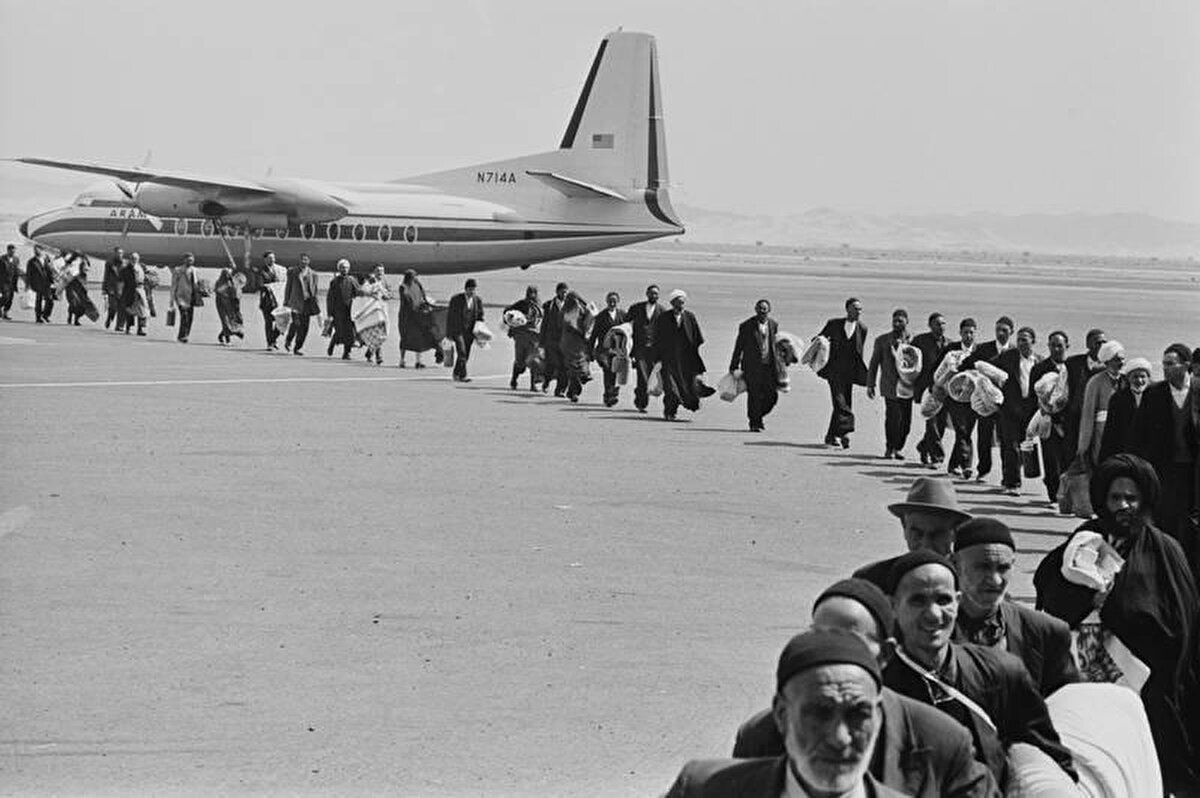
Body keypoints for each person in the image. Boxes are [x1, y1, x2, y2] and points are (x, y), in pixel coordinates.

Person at [732, 578, 1001, 798]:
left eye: (851, 639)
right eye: (820, 636)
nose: (833, 651)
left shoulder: (941, 740)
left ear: (885, 654)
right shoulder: (762, 735)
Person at [1034, 454, 1200, 794]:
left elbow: (1181, 620)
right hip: (1083, 672)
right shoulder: (1084, 540)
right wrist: (1086, 601)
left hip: (1147, 682)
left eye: (1131, 498)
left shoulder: (1164, 550)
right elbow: (1050, 593)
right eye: (1115, 498)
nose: (1123, 505)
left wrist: (1123, 611)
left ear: (1145, 500)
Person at [884, 551, 1078, 788]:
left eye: (943, 600)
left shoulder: (1001, 671)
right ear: (893, 606)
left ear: (957, 601)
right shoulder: (878, 686)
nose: (933, 615)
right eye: (917, 600)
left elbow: (1050, 754)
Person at [664, 629, 910, 798]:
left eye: (859, 714)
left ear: (878, 717)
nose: (840, 738)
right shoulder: (706, 790)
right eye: (820, 713)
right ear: (782, 715)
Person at [949, 517, 1078, 697]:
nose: (994, 580)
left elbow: (1067, 704)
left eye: (1003, 568)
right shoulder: (930, 627)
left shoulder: (1046, 632)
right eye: (982, 567)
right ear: (955, 564)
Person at [1132, 343, 1197, 565]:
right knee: (1165, 517)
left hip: (1194, 470)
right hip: (1165, 468)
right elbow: (1139, 433)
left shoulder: (1197, 391)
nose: (1165, 368)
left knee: (1191, 520)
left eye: (1170, 364)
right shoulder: (1154, 393)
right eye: (1164, 364)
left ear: (1186, 365)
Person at [853, 476, 973, 590]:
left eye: (936, 534)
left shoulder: (971, 584)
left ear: (955, 532)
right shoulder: (874, 580)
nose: (926, 544)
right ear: (904, 527)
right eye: (917, 533)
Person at [961, 316, 1016, 482]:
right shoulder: (984, 349)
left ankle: (1007, 476)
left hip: (1006, 405)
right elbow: (966, 366)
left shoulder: (1015, 352)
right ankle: (983, 471)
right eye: (998, 329)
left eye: (1004, 330)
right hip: (985, 402)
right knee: (983, 437)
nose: (1000, 333)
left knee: (1006, 440)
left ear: (1011, 332)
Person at [993, 326, 1042, 496]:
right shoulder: (1007, 357)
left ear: (1033, 341)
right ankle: (1012, 483)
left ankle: (1014, 475)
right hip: (1009, 410)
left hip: (1030, 411)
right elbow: (990, 369)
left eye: (1024, 339)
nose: (1020, 343)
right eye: (1019, 339)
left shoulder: (1040, 362)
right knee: (1010, 445)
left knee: (1025, 446)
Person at [816, 298, 869, 448]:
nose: (859, 311)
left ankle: (831, 436)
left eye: (860, 309)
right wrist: (821, 343)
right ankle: (844, 433)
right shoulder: (833, 324)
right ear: (847, 309)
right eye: (855, 308)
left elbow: (859, 353)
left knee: (843, 403)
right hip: (834, 372)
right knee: (840, 403)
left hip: (850, 373)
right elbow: (819, 339)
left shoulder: (863, 329)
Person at [653, 289, 709, 421]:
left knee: (686, 386)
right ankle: (670, 412)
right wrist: (657, 358)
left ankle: (688, 404)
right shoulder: (663, 318)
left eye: (683, 302)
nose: (681, 305)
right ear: (672, 303)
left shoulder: (690, 317)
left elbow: (697, 337)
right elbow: (658, 339)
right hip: (669, 359)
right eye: (678, 302)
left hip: (687, 360)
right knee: (671, 388)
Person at [1029, 331, 1072, 503]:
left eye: (1060, 345)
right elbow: (1032, 398)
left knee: (1067, 461)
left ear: (1067, 346)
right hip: (1047, 420)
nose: (1056, 349)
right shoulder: (1039, 368)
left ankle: (1067, 495)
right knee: (1051, 460)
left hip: (1069, 423)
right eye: (1052, 345)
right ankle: (1053, 495)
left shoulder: (1072, 367)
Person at [867, 308, 914, 457]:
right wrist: (870, 384)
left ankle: (898, 447)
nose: (897, 323)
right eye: (894, 320)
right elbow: (874, 363)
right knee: (893, 418)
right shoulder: (882, 340)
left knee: (906, 423)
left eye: (900, 320)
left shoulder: (913, 341)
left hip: (907, 387)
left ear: (907, 322)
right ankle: (890, 448)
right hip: (890, 386)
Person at [730, 299, 781, 433]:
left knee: (772, 396)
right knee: (754, 395)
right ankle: (755, 423)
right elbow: (738, 347)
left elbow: (775, 346)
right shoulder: (746, 326)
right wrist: (733, 366)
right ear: (755, 309)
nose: (762, 311)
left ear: (769, 310)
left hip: (769, 368)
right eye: (760, 308)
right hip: (752, 368)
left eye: (765, 309)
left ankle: (758, 415)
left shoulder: (773, 325)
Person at [1076, 340, 1126, 466]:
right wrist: (1083, 447)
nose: (1121, 363)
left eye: (1122, 359)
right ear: (1107, 361)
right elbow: (1087, 416)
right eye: (1117, 360)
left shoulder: (1127, 380)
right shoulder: (1095, 382)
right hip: (1101, 432)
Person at [1062, 329, 1108, 458]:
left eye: (1104, 343)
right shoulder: (1072, 363)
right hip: (1074, 421)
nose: (1101, 346)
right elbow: (1062, 391)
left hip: (1099, 423)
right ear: (1088, 344)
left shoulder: (1110, 366)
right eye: (1098, 343)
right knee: (1072, 459)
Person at [1096, 356, 1152, 464]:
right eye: (1135, 377)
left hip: (1150, 455)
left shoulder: (1156, 396)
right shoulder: (1118, 399)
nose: (1139, 381)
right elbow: (1110, 433)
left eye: (1143, 376)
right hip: (1125, 455)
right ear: (1128, 378)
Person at [913, 313, 951, 467]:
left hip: (944, 391)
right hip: (927, 390)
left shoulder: (950, 344)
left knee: (941, 424)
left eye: (943, 323)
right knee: (932, 423)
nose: (940, 326)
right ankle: (937, 457)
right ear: (930, 325)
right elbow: (910, 360)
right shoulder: (920, 341)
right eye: (937, 324)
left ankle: (923, 446)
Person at [943, 318, 979, 479]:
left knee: (966, 432)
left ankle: (953, 465)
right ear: (960, 333)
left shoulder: (980, 351)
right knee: (962, 430)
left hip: (972, 399)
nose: (969, 336)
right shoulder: (951, 349)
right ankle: (967, 465)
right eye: (966, 332)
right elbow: (939, 368)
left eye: (971, 332)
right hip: (954, 398)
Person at [625, 284, 663, 413]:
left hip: (654, 350)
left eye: (656, 294)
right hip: (639, 347)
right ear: (647, 294)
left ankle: (640, 399)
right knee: (642, 375)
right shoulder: (636, 308)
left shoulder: (662, 311)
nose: (654, 296)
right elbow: (625, 325)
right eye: (652, 293)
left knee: (650, 375)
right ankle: (641, 403)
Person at [589, 291, 627, 407]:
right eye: (610, 301)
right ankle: (610, 394)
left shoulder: (622, 315)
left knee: (614, 372)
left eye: (614, 301)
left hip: (617, 349)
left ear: (618, 302)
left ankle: (610, 396)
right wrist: (590, 351)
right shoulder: (601, 316)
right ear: (606, 302)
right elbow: (594, 334)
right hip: (603, 350)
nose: (612, 303)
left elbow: (627, 332)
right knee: (607, 369)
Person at [505, 285, 543, 390]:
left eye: (534, 293)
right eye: (530, 293)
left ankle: (533, 384)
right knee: (520, 361)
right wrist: (510, 323)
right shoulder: (521, 304)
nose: (532, 295)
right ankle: (514, 379)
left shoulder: (539, 307)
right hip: (521, 337)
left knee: (533, 360)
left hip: (534, 338)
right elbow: (507, 312)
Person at [446, 278, 484, 382]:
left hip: (470, 331)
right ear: (465, 289)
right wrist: (448, 332)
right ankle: (463, 375)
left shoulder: (477, 300)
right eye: (470, 289)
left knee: (466, 354)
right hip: (457, 331)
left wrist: (481, 331)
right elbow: (450, 317)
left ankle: (456, 373)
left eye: (473, 289)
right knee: (462, 352)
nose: (472, 292)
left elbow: (480, 316)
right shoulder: (456, 299)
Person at [559, 291, 594, 402]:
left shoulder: (583, 310)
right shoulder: (564, 312)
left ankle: (575, 388)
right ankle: (574, 392)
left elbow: (589, 323)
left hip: (580, 344)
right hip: (568, 344)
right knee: (572, 368)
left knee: (581, 365)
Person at [397, 268, 436, 368]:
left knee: (419, 337)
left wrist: (426, 304)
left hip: (417, 314)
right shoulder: (403, 287)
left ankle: (418, 361)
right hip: (406, 316)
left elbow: (423, 296)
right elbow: (406, 298)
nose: (414, 279)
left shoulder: (417, 285)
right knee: (404, 338)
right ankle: (402, 360)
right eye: (412, 277)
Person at [283, 253, 319, 356]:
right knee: (296, 323)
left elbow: (315, 291)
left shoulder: (314, 274)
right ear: (299, 261)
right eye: (302, 260)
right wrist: (286, 301)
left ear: (309, 261)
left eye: (306, 260)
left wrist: (316, 305)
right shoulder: (293, 272)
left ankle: (297, 347)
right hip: (295, 302)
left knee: (305, 327)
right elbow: (288, 287)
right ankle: (289, 339)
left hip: (307, 303)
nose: (304, 262)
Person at [354, 270, 390, 366]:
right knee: (374, 335)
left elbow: (387, 295)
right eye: (371, 279)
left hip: (380, 313)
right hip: (370, 314)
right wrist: (370, 295)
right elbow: (360, 293)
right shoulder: (366, 287)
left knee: (381, 335)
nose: (372, 280)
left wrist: (384, 295)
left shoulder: (380, 285)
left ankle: (370, 352)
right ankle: (378, 356)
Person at [325, 259, 359, 359]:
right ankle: (332, 343)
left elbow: (358, 292)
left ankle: (346, 353)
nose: (344, 269)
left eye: (346, 268)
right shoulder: (334, 282)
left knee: (349, 332)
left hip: (349, 310)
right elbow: (330, 298)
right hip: (337, 311)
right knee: (339, 331)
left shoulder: (352, 280)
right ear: (339, 269)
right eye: (342, 267)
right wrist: (329, 313)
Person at [540, 282, 569, 396]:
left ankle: (560, 390)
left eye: (566, 291)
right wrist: (542, 341)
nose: (564, 294)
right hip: (551, 341)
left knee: (564, 366)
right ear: (557, 292)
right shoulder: (549, 305)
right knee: (551, 364)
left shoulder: (571, 305)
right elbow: (544, 324)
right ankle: (546, 381)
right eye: (562, 291)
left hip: (565, 341)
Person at [258, 251, 287, 350]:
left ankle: (273, 338)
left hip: (279, 300)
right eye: (270, 258)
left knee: (283, 320)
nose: (272, 260)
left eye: (273, 258)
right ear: (265, 259)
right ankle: (269, 343)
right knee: (269, 322)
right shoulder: (262, 271)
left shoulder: (281, 269)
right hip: (267, 301)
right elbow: (260, 285)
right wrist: (268, 287)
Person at [169, 253, 198, 343]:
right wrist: (172, 299)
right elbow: (174, 285)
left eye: (192, 260)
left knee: (190, 318)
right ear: (184, 260)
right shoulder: (178, 270)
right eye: (189, 260)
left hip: (191, 297)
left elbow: (196, 283)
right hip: (181, 296)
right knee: (184, 316)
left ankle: (186, 334)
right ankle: (182, 336)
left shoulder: (194, 270)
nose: (190, 262)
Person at [120, 252, 149, 336]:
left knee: (143, 310)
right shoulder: (126, 269)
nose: (134, 260)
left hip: (140, 290)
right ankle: (129, 328)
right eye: (132, 258)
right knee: (130, 310)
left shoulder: (142, 267)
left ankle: (141, 328)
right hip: (130, 291)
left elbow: (148, 276)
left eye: (135, 258)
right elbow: (122, 280)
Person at [213, 267, 244, 345]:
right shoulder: (219, 282)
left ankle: (222, 335)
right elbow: (218, 291)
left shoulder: (233, 283)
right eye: (225, 274)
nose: (227, 276)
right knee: (225, 322)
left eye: (228, 274)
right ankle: (228, 340)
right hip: (221, 304)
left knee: (232, 321)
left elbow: (237, 293)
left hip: (231, 305)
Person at [26, 248, 54, 323]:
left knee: (50, 300)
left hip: (47, 283)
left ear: (42, 250)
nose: (35, 251)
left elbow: (50, 271)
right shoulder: (31, 261)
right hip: (37, 284)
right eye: (34, 250)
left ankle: (45, 315)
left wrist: (53, 281)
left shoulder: (46, 259)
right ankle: (38, 317)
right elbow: (28, 274)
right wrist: (28, 285)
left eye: (37, 250)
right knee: (38, 301)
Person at [102, 246, 124, 330]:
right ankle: (109, 318)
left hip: (121, 288)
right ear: (115, 253)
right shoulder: (109, 263)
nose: (120, 255)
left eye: (121, 253)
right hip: (111, 288)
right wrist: (104, 288)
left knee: (122, 308)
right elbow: (106, 276)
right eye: (118, 253)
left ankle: (119, 326)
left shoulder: (124, 264)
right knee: (113, 307)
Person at [0, 243, 19, 319]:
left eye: (14, 251)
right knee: (5, 297)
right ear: (8, 251)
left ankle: (5, 313)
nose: (13, 252)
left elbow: (16, 270)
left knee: (10, 299)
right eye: (11, 251)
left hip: (12, 282)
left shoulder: (16, 259)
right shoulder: (2, 259)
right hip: (3, 282)